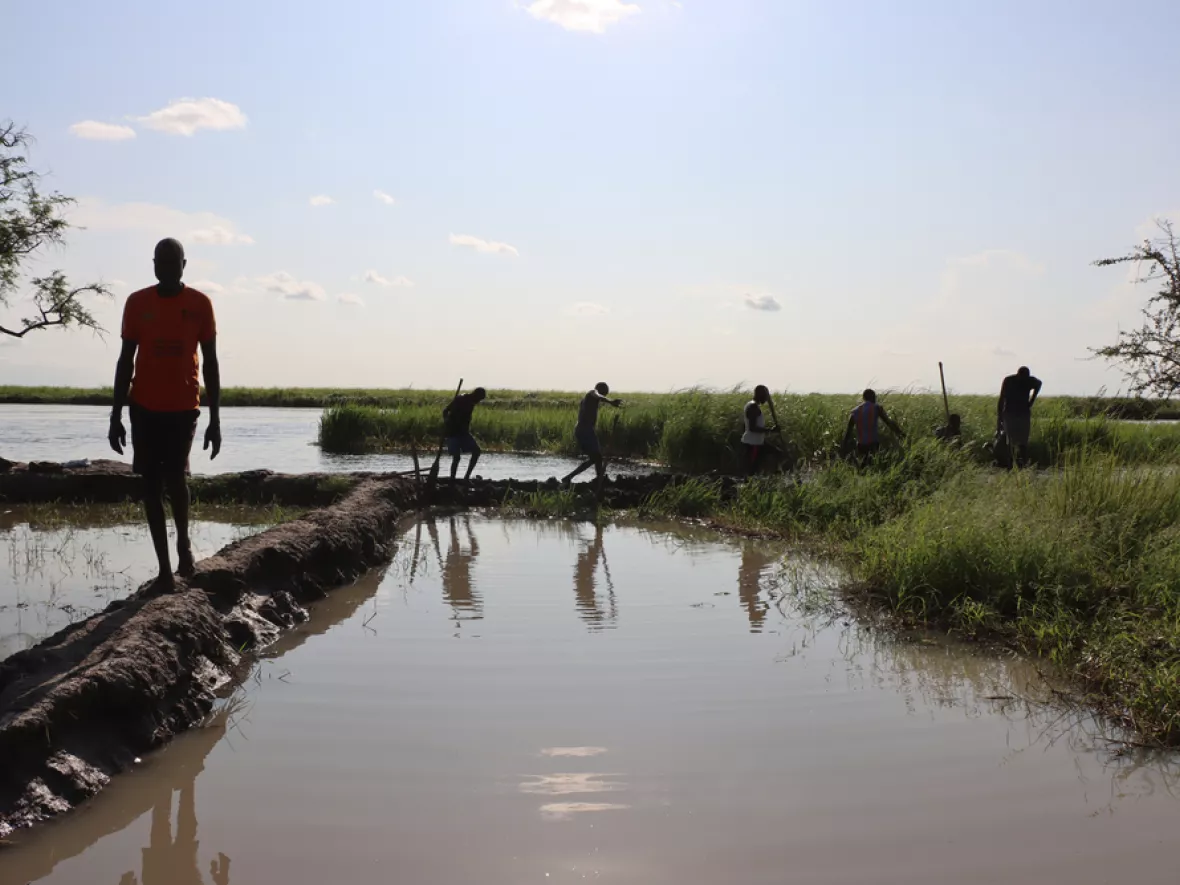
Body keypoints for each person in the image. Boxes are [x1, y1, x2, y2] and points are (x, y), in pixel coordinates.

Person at [109, 239, 220, 589]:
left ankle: (183, 545)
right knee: (150, 486)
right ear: (154, 265)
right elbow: (126, 360)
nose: (168, 269)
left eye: (174, 263)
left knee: (176, 478)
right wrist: (115, 415)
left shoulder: (200, 304)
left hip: (184, 407)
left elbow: (212, 363)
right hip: (143, 406)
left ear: (183, 265)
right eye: (162, 263)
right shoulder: (137, 303)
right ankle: (164, 571)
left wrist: (216, 420)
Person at [561, 382, 622, 486]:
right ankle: (569, 478)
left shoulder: (592, 399)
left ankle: (599, 479)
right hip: (584, 430)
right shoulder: (592, 393)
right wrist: (610, 401)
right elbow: (597, 394)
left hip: (587, 430)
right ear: (599, 390)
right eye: (604, 394)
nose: (603, 397)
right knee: (596, 457)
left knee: (597, 458)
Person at [844, 389, 903, 467]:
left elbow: (848, 431)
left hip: (861, 445)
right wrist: (901, 434)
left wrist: (844, 446)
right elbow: (889, 423)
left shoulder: (855, 411)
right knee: (872, 465)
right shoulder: (876, 408)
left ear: (863, 398)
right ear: (873, 397)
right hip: (873, 444)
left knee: (864, 465)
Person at [997, 366, 1042, 468]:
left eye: (1025, 378)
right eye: (1022, 377)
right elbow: (1002, 398)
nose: (1023, 380)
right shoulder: (1009, 381)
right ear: (1017, 375)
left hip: (1023, 413)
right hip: (1010, 413)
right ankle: (1010, 465)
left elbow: (1039, 383)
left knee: (1023, 442)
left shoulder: (1030, 381)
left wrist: (1032, 400)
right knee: (1010, 441)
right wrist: (1000, 416)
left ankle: (1023, 464)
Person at [442, 386, 486, 481]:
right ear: (475, 395)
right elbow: (446, 411)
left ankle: (466, 477)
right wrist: (446, 421)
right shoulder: (460, 399)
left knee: (477, 451)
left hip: (464, 433)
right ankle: (452, 480)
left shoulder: (471, 403)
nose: (478, 402)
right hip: (453, 433)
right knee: (456, 458)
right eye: (479, 399)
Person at [741, 385, 778, 476]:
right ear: (760, 395)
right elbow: (752, 428)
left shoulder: (754, 406)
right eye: (765, 396)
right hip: (753, 444)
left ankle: (772, 476)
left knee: (777, 453)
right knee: (752, 469)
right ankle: (751, 485)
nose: (766, 399)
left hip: (758, 442)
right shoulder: (752, 407)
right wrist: (770, 430)